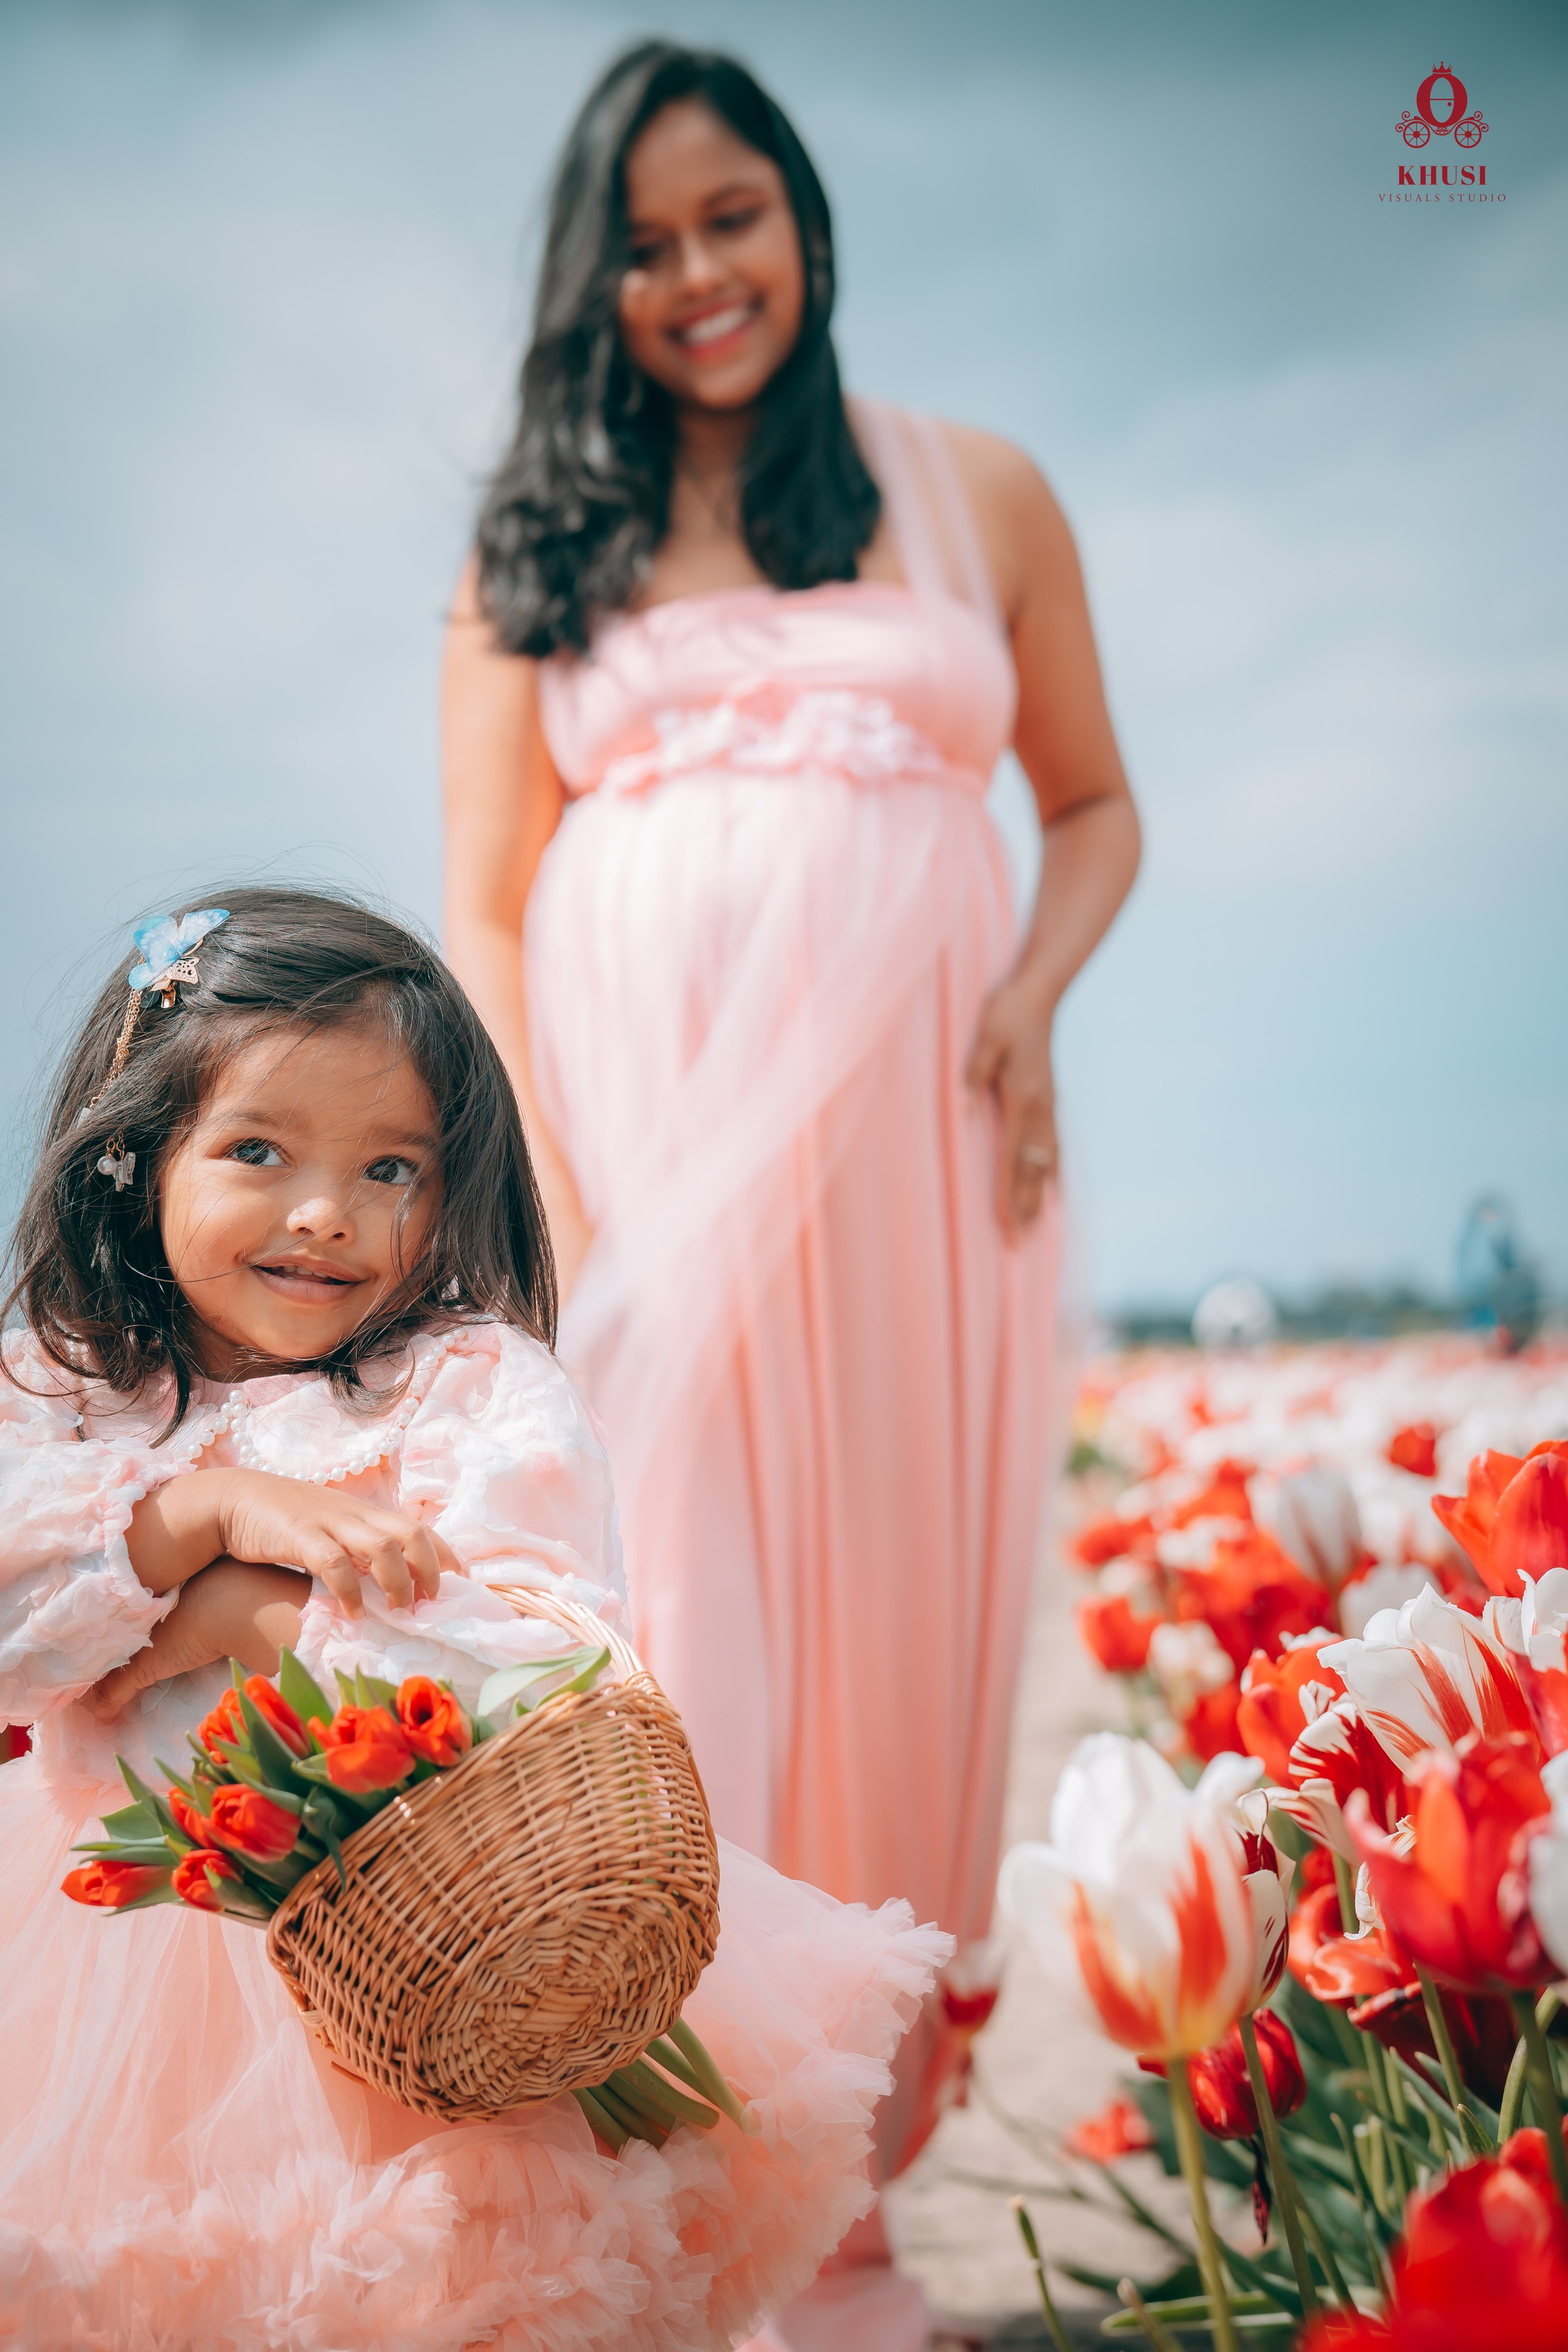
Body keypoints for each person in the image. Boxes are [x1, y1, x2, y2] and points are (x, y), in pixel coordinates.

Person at [443, 43, 1138, 2345]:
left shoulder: (981, 496)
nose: (695, 274)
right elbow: (489, 906)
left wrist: (1033, 995)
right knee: (692, 1656)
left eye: (730, 216)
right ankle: (689, 2209)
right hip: (652, 1183)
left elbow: (1096, 808)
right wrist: (554, 1208)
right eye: (640, 245)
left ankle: (858, 2209)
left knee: (910, 1653)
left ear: (807, 224)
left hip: (933, 1183)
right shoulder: (538, 551)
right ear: (593, 285)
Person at [0, 886, 949, 2351]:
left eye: (391, 1167)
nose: (326, 1211)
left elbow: (540, 1662)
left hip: (431, 1950)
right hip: (113, 1983)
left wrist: (246, 1624)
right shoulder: (63, 1387)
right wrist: (199, 1524)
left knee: (440, 2282)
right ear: (136, 1155)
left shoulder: (463, 1389)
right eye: (257, 1151)